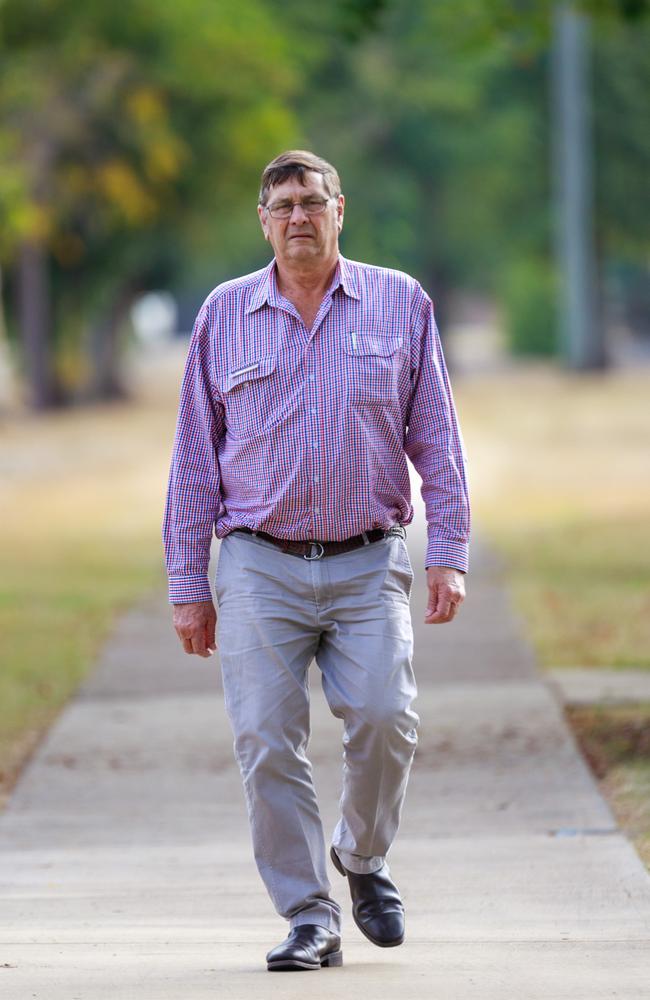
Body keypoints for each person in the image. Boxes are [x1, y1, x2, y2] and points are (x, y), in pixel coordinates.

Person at [162, 150, 470, 972]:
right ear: (262, 220)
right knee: (266, 738)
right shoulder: (224, 315)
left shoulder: (400, 303)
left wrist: (450, 553)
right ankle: (308, 914)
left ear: (341, 210)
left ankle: (362, 860)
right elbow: (196, 458)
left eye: (312, 201)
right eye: (282, 204)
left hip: (369, 562)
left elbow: (437, 438)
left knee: (384, 716)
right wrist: (189, 584)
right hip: (259, 565)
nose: (298, 216)